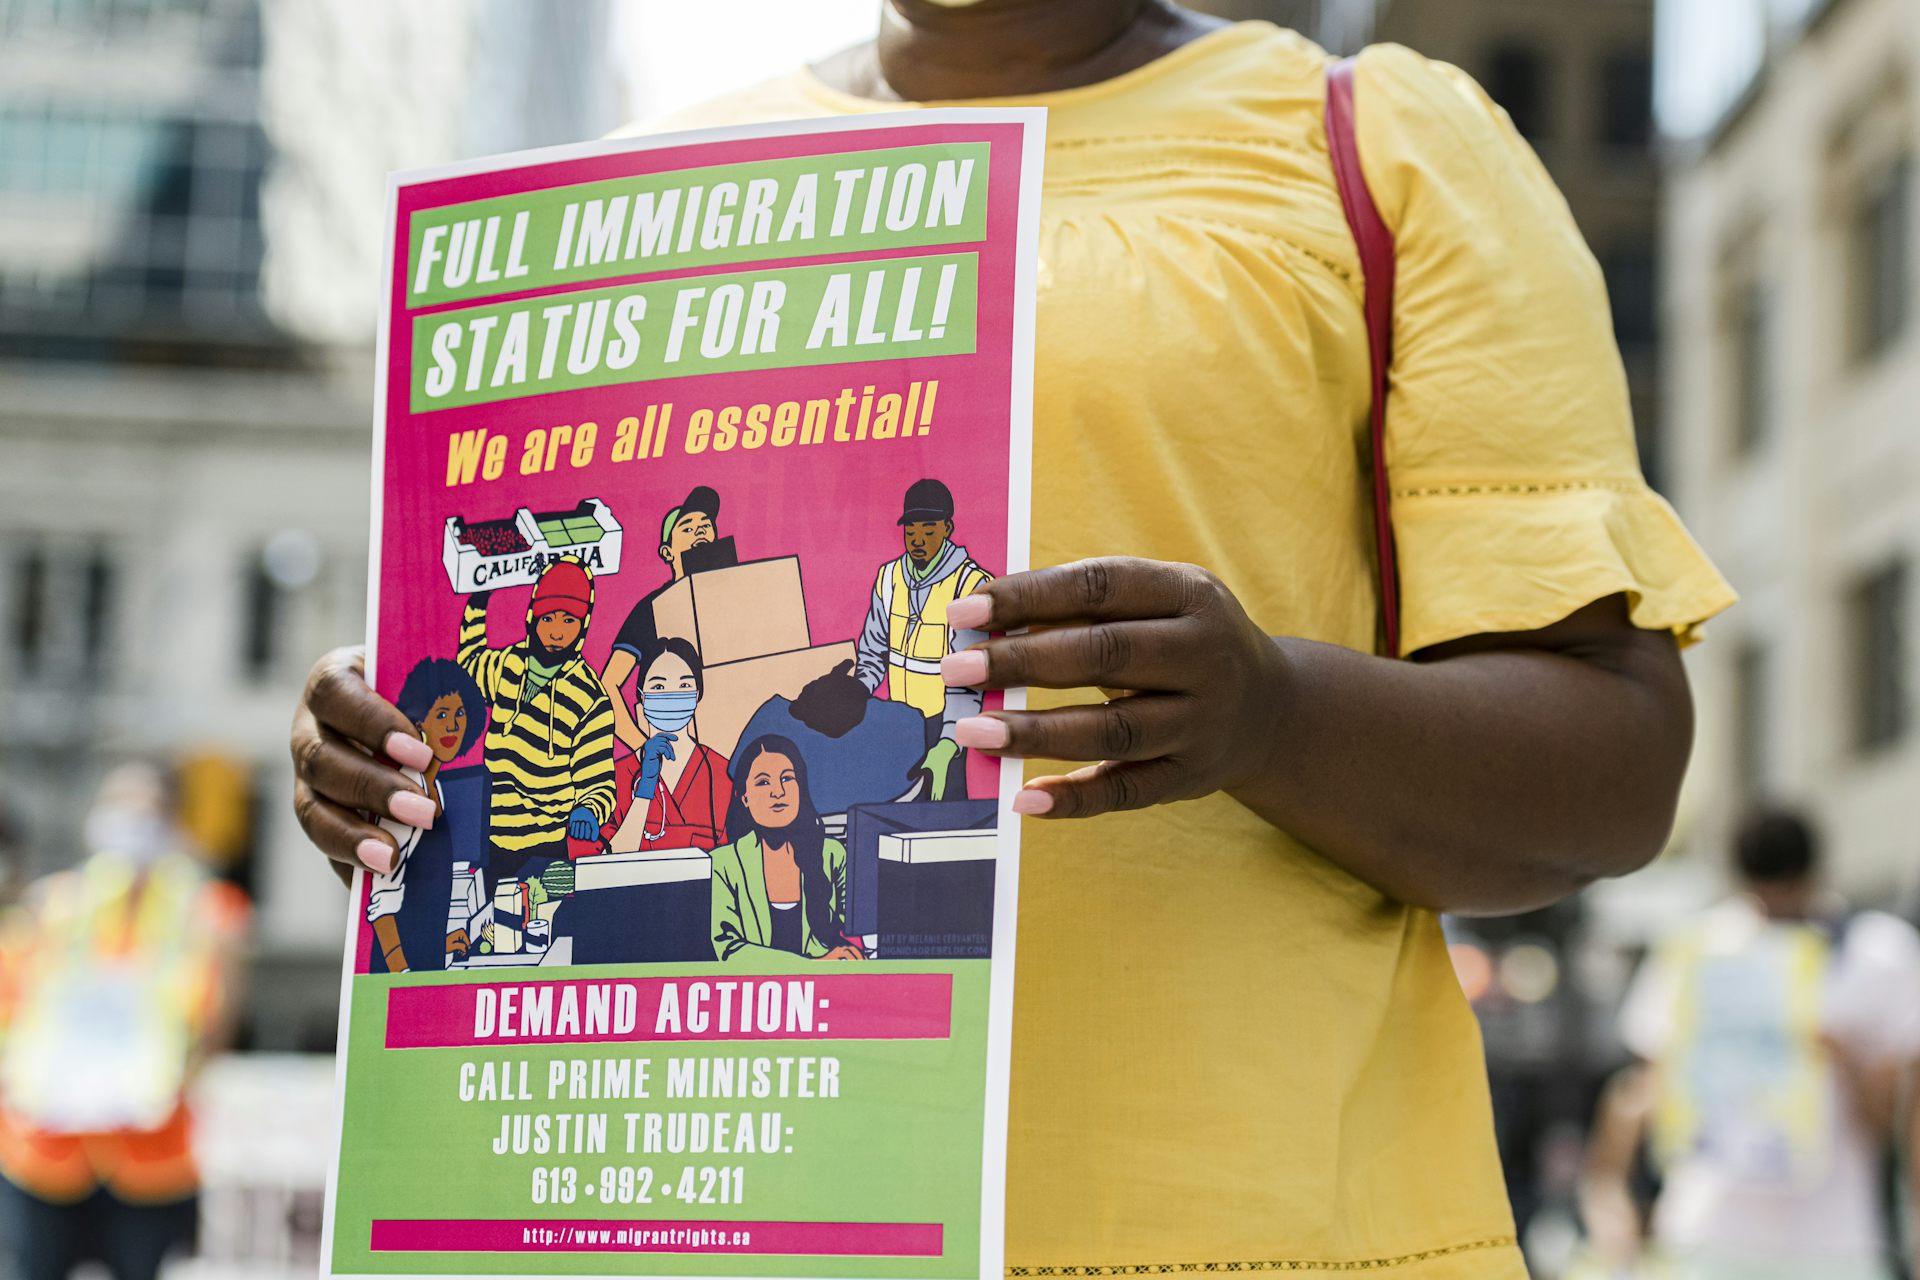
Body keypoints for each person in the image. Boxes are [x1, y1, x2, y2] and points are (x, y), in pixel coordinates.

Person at [289, 3, 1737, 1274]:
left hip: (1251, 1237)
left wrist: (1273, 716)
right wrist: (393, 779)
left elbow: (1614, 770)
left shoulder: (1371, 146)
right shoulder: (638, 209)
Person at [1578, 810, 1920, 1280]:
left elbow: (1898, 1119)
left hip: (1835, 1246)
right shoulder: (1696, 948)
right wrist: (1608, 1191)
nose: (1773, 909)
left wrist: (1841, 1059)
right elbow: (1643, 1090)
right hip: (1706, 1235)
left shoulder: (1876, 953)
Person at [0, 762, 248, 1280]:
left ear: (172, 823)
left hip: (151, 1155)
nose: (131, 822)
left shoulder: (204, 915)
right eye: (120, 804)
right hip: (44, 1150)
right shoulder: (51, 905)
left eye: (148, 810)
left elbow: (215, 1026)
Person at [456, 556, 616, 892]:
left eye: (569, 620)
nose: (557, 631)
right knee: (489, 930)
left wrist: (588, 809)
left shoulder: (591, 698)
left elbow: (599, 781)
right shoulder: (508, 664)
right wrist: (478, 602)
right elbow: (469, 664)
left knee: (544, 928)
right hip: (492, 839)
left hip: (548, 847)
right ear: (532, 616)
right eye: (549, 618)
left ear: (583, 625)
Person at [854, 478, 993, 800]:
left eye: (928, 530)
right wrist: (857, 692)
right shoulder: (888, 577)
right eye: (910, 530)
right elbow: (873, 651)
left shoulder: (970, 584)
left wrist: (947, 744)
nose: (917, 539)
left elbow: (968, 678)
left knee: (945, 816)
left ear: (947, 528)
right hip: (898, 725)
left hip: (944, 726)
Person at [367, 656, 485, 971]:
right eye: (441, 714)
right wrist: (402, 975)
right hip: (396, 972)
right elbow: (383, 906)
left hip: (421, 961)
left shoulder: (438, 788)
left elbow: (417, 901)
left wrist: (438, 941)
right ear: (419, 723)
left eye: (460, 713)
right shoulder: (406, 793)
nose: (453, 725)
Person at [707, 735, 862, 962]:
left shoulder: (832, 855)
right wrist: (812, 966)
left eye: (787, 778)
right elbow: (729, 948)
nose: (777, 791)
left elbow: (856, 929)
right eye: (763, 782)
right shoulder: (723, 864)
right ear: (745, 798)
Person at [601, 485, 722, 752]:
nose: (700, 529)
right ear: (667, 552)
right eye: (687, 527)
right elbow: (608, 684)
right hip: (678, 753)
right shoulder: (652, 609)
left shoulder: (741, 592)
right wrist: (640, 747)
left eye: (706, 524)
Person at [601, 637, 733, 853]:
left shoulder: (721, 773)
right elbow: (606, 862)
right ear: (642, 696)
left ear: (697, 694)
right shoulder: (617, 776)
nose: (672, 694)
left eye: (684, 685)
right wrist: (644, 792)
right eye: (659, 686)